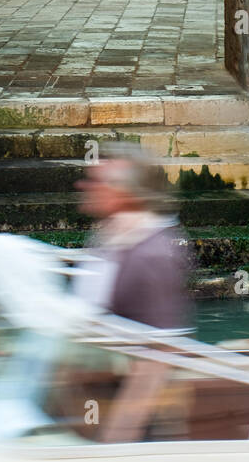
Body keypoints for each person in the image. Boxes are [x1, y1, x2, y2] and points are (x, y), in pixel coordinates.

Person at [74, 142, 192, 331]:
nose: (83, 185)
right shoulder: (110, 236)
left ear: (125, 194)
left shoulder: (151, 256)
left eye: (97, 181)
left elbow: (162, 344)